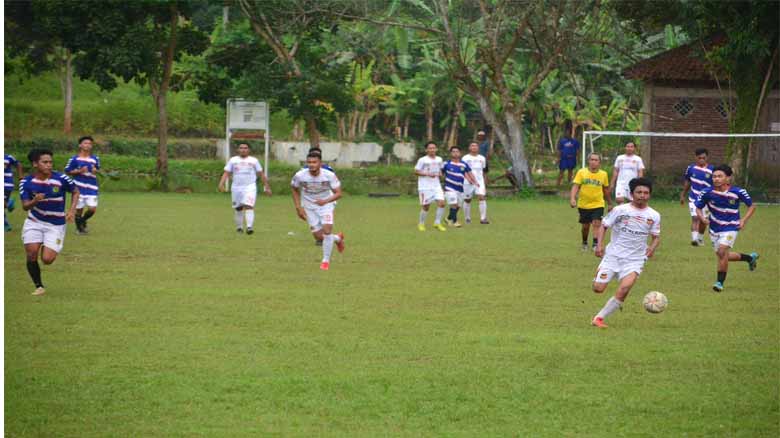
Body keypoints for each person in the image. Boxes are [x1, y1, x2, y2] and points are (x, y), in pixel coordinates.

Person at [590, 178, 661, 328]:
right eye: (639, 192)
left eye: (646, 193)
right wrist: (599, 245)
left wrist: (652, 248)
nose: (642, 195)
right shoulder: (620, 210)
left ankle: (599, 318)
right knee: (598, 289)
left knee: (624, 288)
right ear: (631, 193)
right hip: (613, 256)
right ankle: (599, 274)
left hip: (635, 259)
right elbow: (603, 226)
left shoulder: (654, 215)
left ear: (650, 195)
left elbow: (656, 237)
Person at [20, 148, 80, 296]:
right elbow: (24, 206)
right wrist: (35, 200)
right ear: (35, 164)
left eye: (50, 162)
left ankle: (47, 245)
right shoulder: (26, 183)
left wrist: (72, 210)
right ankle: (39, 286)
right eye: (44, 162)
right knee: (31, 253)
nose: (48, 165)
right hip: (34, 222)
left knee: (47, 259)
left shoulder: (61, 179)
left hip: (56, 224)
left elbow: (75, 191)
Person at [694, 164, 758, 292]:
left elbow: (752, 206)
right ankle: (750, 258)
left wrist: (743, 220)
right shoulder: (706, 192)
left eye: (719, 176)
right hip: (714, 228)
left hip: (731, 227)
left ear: (728, 178)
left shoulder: (738, 192)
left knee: (722, 251)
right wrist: (701, 218)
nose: (716, 179)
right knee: (723, 255)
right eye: (714, 176)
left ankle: (719, 283)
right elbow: (698, 208)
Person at [292, 152, 345, 270]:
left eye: (314, 162)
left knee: (327, 230)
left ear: (320, 163)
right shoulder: (300, 175)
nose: (311, 165)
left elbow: (339, 193)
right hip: (309, 206)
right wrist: (298, 207)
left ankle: (325, 261)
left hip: (326, 204)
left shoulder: (329, 175)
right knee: (319, 236)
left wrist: (325, 201)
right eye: (309, 162)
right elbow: (294, 189)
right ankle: (338, 238)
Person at [219, 143, 272, 235]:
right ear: (238, 150)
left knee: (249, 206)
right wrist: (221, 184)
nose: (243, 150)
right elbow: (226, 172)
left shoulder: (254, 161)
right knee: (238, 208)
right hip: (236, 187)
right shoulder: (233, 160)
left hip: (250, 187)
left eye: (245, 148)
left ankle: (249, 227)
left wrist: (267, 187)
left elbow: (261, 174)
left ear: (249, 150)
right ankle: (239, 228)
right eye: (241, 148)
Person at [570, 153, 612, 251]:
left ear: (599, 162)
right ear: (588, 161)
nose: (593, 162)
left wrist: (609, 203)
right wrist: (572, 198)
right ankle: (584, 242)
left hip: (598, 204)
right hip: (583, 204)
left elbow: (605, 189)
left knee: (596, 223)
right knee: (585, 226)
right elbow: (576, 186)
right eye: (591, 160)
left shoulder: (603, 174)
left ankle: (595, 243)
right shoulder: (581, 172)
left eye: (596, 160)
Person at [64, 136, 100, 234]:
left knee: (92, 209)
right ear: (80, 145)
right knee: (78, 209)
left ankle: (83, 220)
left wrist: (95, 170)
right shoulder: (74, 159)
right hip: (78, 188)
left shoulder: (95, 158)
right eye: (85, 143)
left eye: (89, 144)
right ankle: (79, 229)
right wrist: (79, 171)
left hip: (92, 187)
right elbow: (67, 171)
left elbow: (97, 169)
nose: (87, 145)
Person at [680, 148, 714, 246]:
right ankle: (694, 239)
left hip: (707, 200)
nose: (702, 160)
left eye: (704, 158)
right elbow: (687, 182)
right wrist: (683, 194)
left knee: (704, 220)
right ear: (695, 158)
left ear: (707, 157)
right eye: (699, 158)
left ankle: (700, 238)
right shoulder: (690, 168)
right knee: (695, 218)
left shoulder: (712, 170)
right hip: (693, 198)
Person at [442, 145, 479, 227]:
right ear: (450, 153)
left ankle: (448, 218)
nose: (455, 153)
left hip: (460, 189)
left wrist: (475, 181)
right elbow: (440, 173)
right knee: (454, 204)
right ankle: (455, 222)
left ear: (460, 153)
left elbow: (470, 173)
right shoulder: (446, 164)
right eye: (453, 152)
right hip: (449, 188)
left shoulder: (464, 164)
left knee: (458, 206)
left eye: (457, 152)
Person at [304, 147, 334, 246]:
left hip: (325, 198)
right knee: (318, 235)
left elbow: (334, 183)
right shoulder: (304, 170)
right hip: (310, 199)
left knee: (325, 224)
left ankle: (326, 233)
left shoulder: (328, 169)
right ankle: (333, 238)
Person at [415, 141, 447, 232]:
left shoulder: (439, 159)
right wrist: (427, 174)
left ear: (436, 149)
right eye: (430, 148)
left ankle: (437, 223)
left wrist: (440, 174)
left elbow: (440, 170)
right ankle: (421, 224)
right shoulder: (422, 160)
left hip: (436, 185)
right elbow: (416, 171)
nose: (432, 149)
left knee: (442, 203)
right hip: (425, 186)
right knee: (426, 206)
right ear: (426, 150)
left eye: (434, 148)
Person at [461, 141, 489, 224]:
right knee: (467, 199)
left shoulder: (482, 158)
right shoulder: (465, 158)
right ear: (469, 148)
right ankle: (467, 218)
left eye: (476, 146)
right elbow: (462, 170)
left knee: (482, 197)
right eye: (472, 146)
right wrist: (468, 178)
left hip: (479, 182)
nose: (474, 147)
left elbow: (483, 170)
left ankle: (483, 218)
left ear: (478, 148)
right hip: (467, 182)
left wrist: (484, 180)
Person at [556, 120, 580, 186]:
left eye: (568, 133)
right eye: (565, 133)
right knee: (561, 171)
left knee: (570, 171)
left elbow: (578, 151)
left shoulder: (575, 141)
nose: (566, 134)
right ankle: (558, 183)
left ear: (570, 133)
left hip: (572, 158)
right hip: (564, 159)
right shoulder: (562, 141)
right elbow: (559, 150)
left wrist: (578, 158)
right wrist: (558, 158)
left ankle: (569, 183)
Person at [5, 153, 23, 231]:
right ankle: (8, 203)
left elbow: (18, 164)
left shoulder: (8, 157)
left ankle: (5, 225)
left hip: (6, 184)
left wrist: (20, 176)